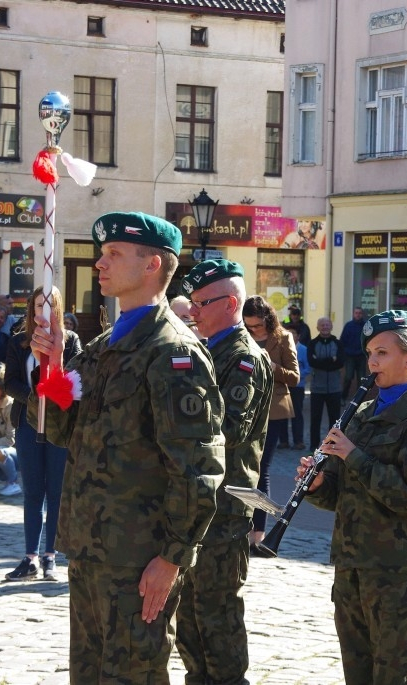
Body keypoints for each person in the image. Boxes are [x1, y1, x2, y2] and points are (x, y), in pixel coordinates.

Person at [28, 211, 224, 681]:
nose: (100, 263)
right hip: (92, 547)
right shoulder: (101, 347)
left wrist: (173, 556)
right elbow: (60, 430)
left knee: (134, 675)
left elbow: (198, 467)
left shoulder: (172, 352)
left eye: (114, 254)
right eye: (102, 254)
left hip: (139, 557)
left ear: (152, 264)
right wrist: (52, 367)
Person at [302, 310, 407, 685]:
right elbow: (341, 495)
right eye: (369, 352)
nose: (371, 362)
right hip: (350, 564)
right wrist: (318, 485)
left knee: (391, 674)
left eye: (382, 353)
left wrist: (353, 454)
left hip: (395, 571)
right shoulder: (362, 412)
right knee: (356, 672)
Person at [176, 258, 274, 685]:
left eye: (201, 302)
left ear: (230, 303)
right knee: (189, 622)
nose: (192, 310)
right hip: (194, 501)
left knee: (217, 619)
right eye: (192, 302)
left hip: (223, 508)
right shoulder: (203, 348)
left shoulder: (244, 358)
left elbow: (231, 429)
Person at [2, 285, 82, 580]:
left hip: (59, 426)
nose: (43, 311)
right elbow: (10, 382)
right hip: (27, 422)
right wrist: (36, 398)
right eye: (38, 306)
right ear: (31, 310)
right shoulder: (18, 342)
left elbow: (78, 379)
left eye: (49, 306)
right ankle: (30, 556)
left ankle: (51, 556)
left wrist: (55, 392)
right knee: (33, 492)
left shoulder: (71, 341)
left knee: (57, 492)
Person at [243, 294, 299, 549]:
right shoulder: (241, 337)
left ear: (268, 319)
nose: (254, 330)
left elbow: (295, 377)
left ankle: (259, 533)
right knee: (244, 468)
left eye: (257, 326)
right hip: (245, 407)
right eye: (249, 326)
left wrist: (271, 366)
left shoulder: (283, 338)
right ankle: (243, 529)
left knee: (263, 468)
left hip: (273, 410)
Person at [308, 316, 343, 452]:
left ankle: (333, 444)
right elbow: (312, 362)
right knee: (315, 419)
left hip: (334, 388)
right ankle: (313, 445)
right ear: (317, 327)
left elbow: (340, 362)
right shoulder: (312, 344)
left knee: (335, 420)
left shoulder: (338, 343)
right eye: (322, 325)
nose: (325, 327)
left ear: (331, 327)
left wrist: (322, 361)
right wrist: (331, 361)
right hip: (317, 388)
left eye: (327, 325)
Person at [288, 327, 310, 450]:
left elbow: (308, 368)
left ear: (298, 336)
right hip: (284, 386)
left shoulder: (303, 350)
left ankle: (298, 441)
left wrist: (297, 375)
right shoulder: (282, 348)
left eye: (293, 333)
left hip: (298, 386)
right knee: (283, 414)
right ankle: (283, 441)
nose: (291, 336)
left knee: (297, 413)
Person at [339, 307, 367, 400]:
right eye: (356, 313)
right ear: (353, 314)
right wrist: (344, 353)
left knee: (361, 379)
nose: (358, 315)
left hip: (361, 356)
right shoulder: (348, 325)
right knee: (348, 377)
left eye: (360, 313)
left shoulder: (366, 326)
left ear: (362, 314)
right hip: (350, 356)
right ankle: (343, 397)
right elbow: (342, 340)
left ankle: (358, 399)